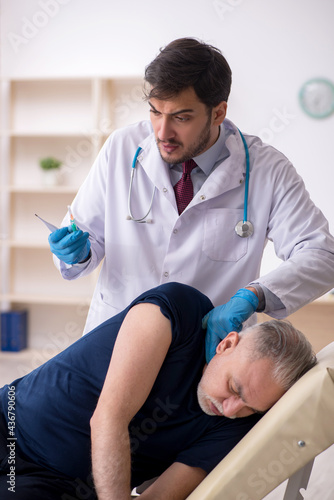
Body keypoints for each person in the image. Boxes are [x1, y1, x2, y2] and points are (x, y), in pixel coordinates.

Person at [48, 37, 334, 361]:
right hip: (113, 344)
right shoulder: (121, 148)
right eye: (155, 112)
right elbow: (83, 235)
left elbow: (322, 254)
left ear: (218, 113)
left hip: (203, 356)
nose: (162, 133)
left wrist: (254, 295)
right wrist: (77, 251)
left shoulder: (266, 169)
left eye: (181, 118)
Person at [0, 283, 316, 500]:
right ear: (227, 343)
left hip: (55, 489)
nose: (232, 409)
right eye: (234, 388)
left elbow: (158, 497)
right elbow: (108, 418)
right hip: (10, 424)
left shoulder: (236, 424)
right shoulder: (179, 312)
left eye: (250, 407)